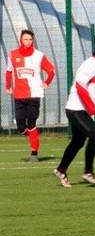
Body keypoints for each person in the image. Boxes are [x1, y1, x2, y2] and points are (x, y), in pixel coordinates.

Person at [53, 31, 95, 188]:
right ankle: (88, 172)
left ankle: (61, 169)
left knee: (78, 142)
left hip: (80, 109)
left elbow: (91, 88)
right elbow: (80, 86)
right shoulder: (91, 64)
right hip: (76, 109)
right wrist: (91, 106)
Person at [5, 29, 56, 162]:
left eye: (30, 39)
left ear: (33, 41)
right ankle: (34, 136)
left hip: (34, 95)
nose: (28, 42)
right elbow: (9, 71)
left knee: (31, 124)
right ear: (20, 40)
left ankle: (34, 153)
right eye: (25, 39)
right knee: (21, 127)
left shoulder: (39, 55)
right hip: (19, 96)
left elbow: (51, 70)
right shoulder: (12, 54)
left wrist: (47, 82)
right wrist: (8, 86)